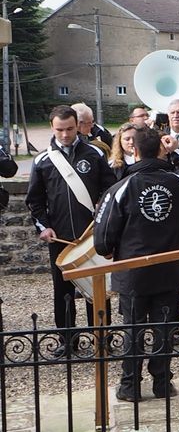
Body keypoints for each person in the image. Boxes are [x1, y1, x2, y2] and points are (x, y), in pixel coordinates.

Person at [93, 126, 179, 401]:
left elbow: (102, 236)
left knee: (133, 328)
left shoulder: (121, 187)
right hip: (170, 269)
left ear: (134, 151)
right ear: (162, 149)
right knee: (164, 327)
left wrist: (109, 249)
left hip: (134, 271)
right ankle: (162, 383)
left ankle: (130, 386)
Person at [26, 105, 116, 343]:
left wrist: (101, 208)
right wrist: (43, 227)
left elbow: (110, 189)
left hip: (92, 234)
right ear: (52, 128)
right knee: (63, 290)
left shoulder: (95, 154)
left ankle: (102, 338)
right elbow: (35, 201)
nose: (65, 135)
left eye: (69, 129)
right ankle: (67, 340)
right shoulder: (43, 161)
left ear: (78, 126)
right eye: (59, 129)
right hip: (60, 236)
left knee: (97, 286)